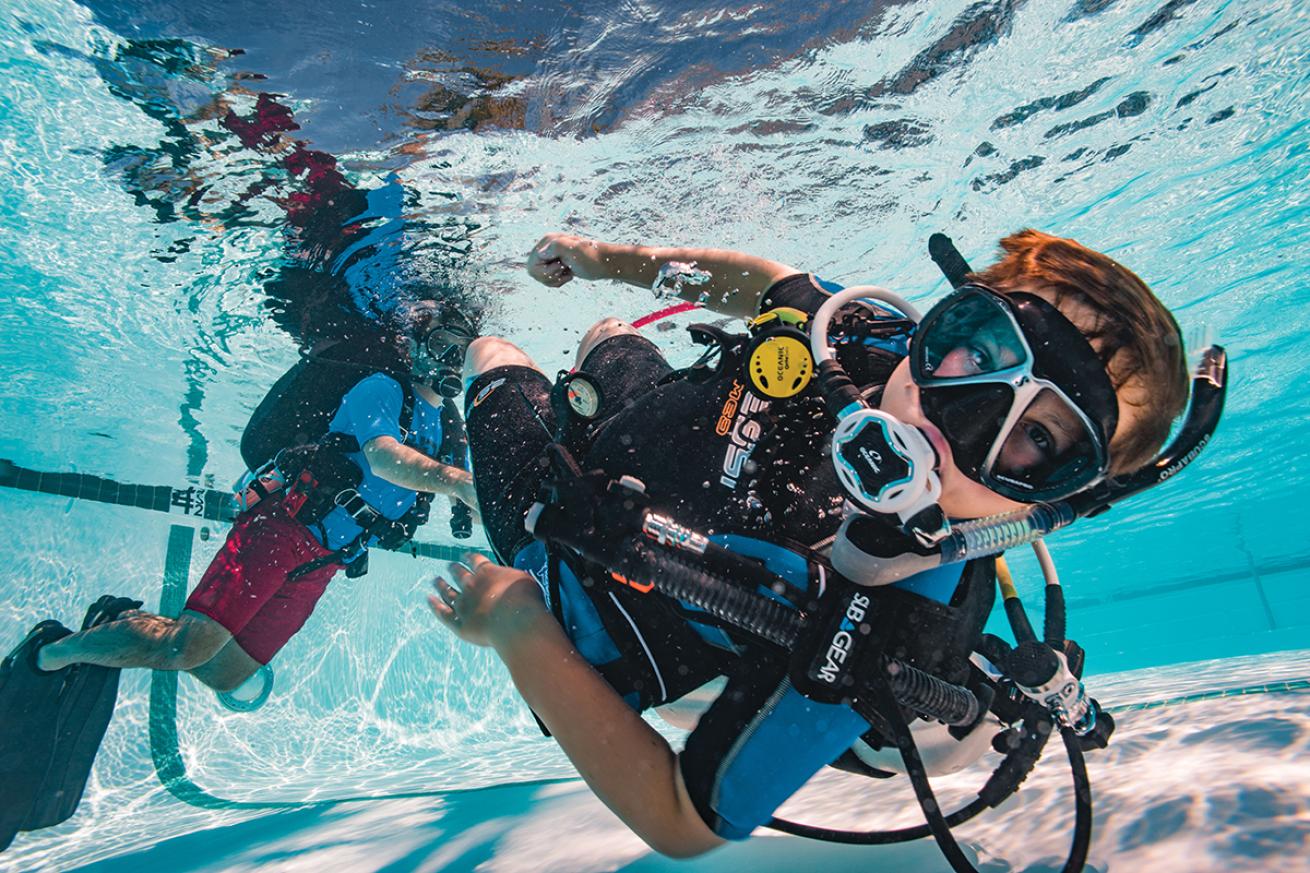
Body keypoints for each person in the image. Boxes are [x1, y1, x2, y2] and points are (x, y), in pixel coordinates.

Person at [429, 229, 1195, 859]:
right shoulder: (864, 339)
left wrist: (516, 624)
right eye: (987, 349)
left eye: (1036, 435)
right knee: (605, 333)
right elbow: (768, 282)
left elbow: (680, 818)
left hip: (578, 566)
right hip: (656, 419)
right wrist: (609, 262)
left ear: (1056, 499)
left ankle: (443, 412)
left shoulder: (890, 626)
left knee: (488, 354)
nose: (963, 411)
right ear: (952, 317)